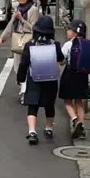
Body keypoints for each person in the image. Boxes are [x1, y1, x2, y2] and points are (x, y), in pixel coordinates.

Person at [17, 15, 64, 145]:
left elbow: (24, 64)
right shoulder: (55, 45)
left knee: (33, 105)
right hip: (50, 79)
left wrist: (20, 78)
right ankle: (49, 128)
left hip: (34, 79)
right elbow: (60, 58)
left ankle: (32, 131)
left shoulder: (30, 45)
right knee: (49, 105)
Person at [0, 0, 39, 103]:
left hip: (28, 42)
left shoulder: (33, 10)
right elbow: (10, 25)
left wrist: (22, 19)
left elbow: (34, 28)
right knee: (18, 68)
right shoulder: (17, 9)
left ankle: (24, 93)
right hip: (18, 41)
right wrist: (2, 38)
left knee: (25, 68)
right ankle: (24, 90)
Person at [59, 19, 90, 140]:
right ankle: (82, 126)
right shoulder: (87, 43)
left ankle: (74, 119)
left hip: (70, 74)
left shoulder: (68, 45)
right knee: (79, 101)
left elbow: (61, 61)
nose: (67, 32)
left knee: (67, 100)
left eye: (69, 30)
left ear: (75, 33)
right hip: (83, 76)